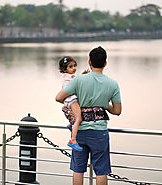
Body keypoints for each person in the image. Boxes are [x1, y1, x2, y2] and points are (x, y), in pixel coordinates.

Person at [56, 46, 122, 185]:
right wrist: (104, 104)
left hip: (80, 131)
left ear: (89, 62)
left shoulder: (78, 79)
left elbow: (59, 97)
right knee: (101, 171)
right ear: (105, 63)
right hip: (99, 132)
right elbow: (117, 111)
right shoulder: (113, 84)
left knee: (78, 169)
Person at [58, 56, 89, 151]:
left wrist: (83, 74)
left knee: (76, 119)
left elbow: (76, 79)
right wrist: (84, 75)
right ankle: (73, 140)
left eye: (74, 65)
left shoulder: (67, 77)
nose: (74, 68)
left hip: (68, 100)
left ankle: (71, 125)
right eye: (71, 67)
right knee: (79, 119)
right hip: (72, 100)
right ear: (64, 69)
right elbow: (77, 81)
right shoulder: (69, 77)